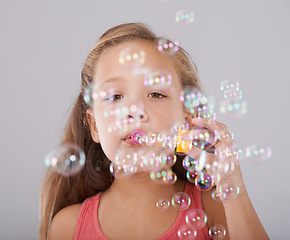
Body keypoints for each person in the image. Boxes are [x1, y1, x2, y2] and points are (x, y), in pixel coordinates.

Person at [39, 22, 269, 240]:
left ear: (187, 121)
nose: (135, 111)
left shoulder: (215, 207)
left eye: (156, 94)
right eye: (115, 96)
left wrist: (232, 183)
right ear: (95, 126)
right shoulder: (68, 226)